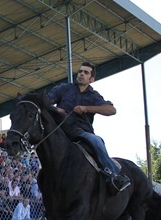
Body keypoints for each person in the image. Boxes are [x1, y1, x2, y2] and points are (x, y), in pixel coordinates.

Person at [46, 61, 130, 194]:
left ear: (91, 79)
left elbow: (111, 110)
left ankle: (113, 175)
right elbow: (45, 102)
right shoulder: (63, 88)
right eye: (80, 71)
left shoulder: (93, 96)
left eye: (86, 72)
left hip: (80, 132)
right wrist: (57, 110)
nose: (81, 74)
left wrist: (86, 108)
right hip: (59, 131)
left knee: (96, 140)